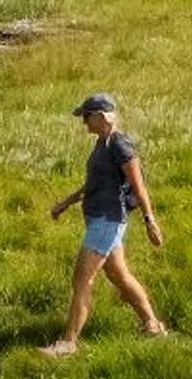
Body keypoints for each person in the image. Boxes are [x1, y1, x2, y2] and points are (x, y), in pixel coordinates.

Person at [43, 92, 167, 355]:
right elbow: (94, 183)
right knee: (119, 275)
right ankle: (153, 325)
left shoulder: (120, 145)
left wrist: (150, 221)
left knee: (82, 279)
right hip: (99, 218)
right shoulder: (102, 143)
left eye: (86, 116)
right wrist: (66, 202)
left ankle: (68, 344)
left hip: (108, 221)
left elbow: (138, 186)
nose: (84, 122)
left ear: (101, 117)